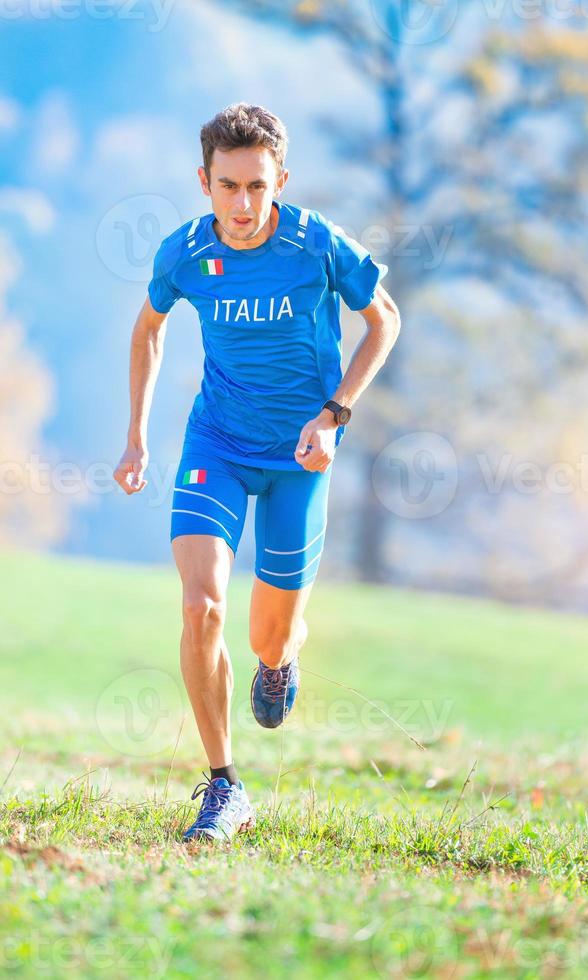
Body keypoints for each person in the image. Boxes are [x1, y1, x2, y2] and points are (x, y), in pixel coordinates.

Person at [113, 102, 401, 843]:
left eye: (257, 187)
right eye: (228, 186)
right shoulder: (183, 254)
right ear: (204, 182)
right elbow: (149, 329)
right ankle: (224, 786)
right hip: (217, 444)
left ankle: (281, 658)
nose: (243, 205)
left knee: (267, 638)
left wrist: (334, 416)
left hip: (301, 457)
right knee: (199, 607)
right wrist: (138, 436)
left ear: (281, 182)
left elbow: (385, 320)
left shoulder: (315, 246)